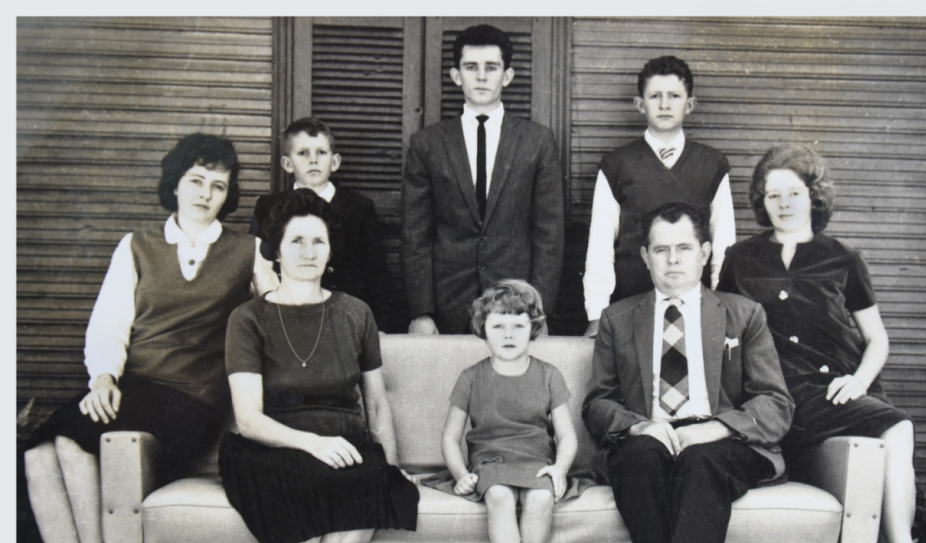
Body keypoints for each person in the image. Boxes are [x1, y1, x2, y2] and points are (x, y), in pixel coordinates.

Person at [19, 134, 278, 543]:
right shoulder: (135, 245)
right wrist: (102, 379)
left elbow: (277, 312)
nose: (205, 193)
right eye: (195, 181)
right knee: (38, 453)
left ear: (228, 195)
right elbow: (109, 323)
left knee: (70, 444)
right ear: (175, 184)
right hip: (134, 388)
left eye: (218, 186)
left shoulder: (246, 250)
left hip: (194, 399)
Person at [716, 143, 926, 543]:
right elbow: (720, 330)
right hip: (776, 397)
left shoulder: (843, 257)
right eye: (772, 194)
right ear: (760, 200)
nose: (783, 203)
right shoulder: (739, 258)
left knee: (895, 434)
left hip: (837, 391)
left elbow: (877, 339)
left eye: (793, 193)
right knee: (890, 442)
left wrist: (859, 380)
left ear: (813, 196)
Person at [582, 201, 793, 543]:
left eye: (684, 248)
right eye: (661, 250)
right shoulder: (618, 318)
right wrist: (639, 424)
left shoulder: (743, 314)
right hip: (653, 434)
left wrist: (717, 427)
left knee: (703, 460)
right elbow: (597, 403)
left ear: (705, 253)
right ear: (645, 257)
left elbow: (776, 403)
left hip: (724, 438)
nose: (673, 259)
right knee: (636, 457)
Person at [219, 189, 419, 543]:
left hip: (340, 444)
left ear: (331, 252)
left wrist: (390, 463)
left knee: (376, 483)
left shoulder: (356, 313)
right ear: (276, 250)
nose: (308, 252)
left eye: (318, 242)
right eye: (296, 241)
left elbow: (376, 401)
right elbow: (248, 419)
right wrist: (312, 443)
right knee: (308, 484)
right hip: (269, 445)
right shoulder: (248, 319)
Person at [422, 280, 583, 543]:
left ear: (534, 329)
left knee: (541, 498)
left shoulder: (549, 374)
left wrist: (559, 468)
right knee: (498, 495)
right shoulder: (471, 376)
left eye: (518, 325)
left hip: (536, 459)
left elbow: (567, 435)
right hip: (490, 459)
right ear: (483, 329)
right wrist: (461, 474)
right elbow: (450, 437)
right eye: (498, 326)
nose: (508, 335)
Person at [402, 24, 564, 335]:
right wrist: (421, 312)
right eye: (470, 67)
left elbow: (550, 235)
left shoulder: (537, 141)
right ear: (456, 75)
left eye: (491, 67)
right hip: (447, 306)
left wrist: (539, 312)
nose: (480, 76)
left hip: (517, 306)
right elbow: (415, 234)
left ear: (507, 76)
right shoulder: (427, 143)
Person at [582, 56, 736, 338]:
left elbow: (723, 244)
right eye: (655, 96)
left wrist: (722, 306)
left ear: (690, 104)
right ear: (640, 104)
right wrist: (596, 313)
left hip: (695, 309)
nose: (664, 104)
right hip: (631, 305)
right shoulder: (617, 164)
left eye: (674, 96)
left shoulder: (712, 164)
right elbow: (600, 246)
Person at [250, 117, 393, 331]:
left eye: (321, 152)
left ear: (335, 162)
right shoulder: (267, 207)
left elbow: (377, 274)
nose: (313, 160)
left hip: (343, 320)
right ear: (287, 164)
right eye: (303, 153)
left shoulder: (359, 208)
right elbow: (257, 269)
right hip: (285, 319)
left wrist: (379, 327)